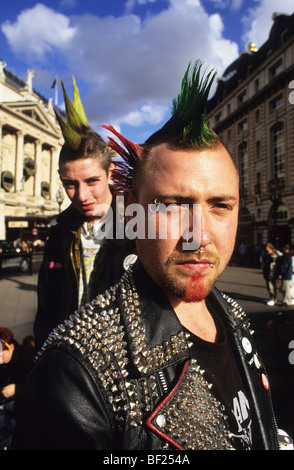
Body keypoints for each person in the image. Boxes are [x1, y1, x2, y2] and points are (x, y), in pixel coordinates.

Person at [13, 61, 287, 450]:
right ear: (132, 208)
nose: (200, 235)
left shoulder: (232, 314)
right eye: (174, 205)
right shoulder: (75, 372)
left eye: (221, 205)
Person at [33, 77, 136, 350]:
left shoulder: (138, 225)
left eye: (91, 181)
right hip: (68, 365)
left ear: (110, 173)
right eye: (70, 184)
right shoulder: (59, 234)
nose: (80, 196)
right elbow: (46, 308)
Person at [0, 328, 34, 448]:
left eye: (2, 353)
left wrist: (17, 389)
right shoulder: (3, 365)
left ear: (12, 347)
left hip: (26, 417)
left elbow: (42, 386)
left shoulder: (29, 357)